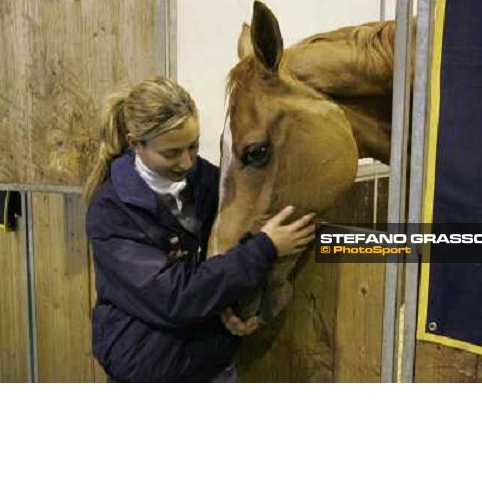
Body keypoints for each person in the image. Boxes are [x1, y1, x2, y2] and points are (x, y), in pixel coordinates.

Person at [84, 77, 315, 382]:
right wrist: (265, 248)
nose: (186, 162)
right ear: (135, 143)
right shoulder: (111, 210)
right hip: (147, 373)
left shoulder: (205, 179)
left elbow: (223, 252)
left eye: (193, 147)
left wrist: (229, 307)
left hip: (213, 365)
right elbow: (175, 298)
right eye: (170, 153)